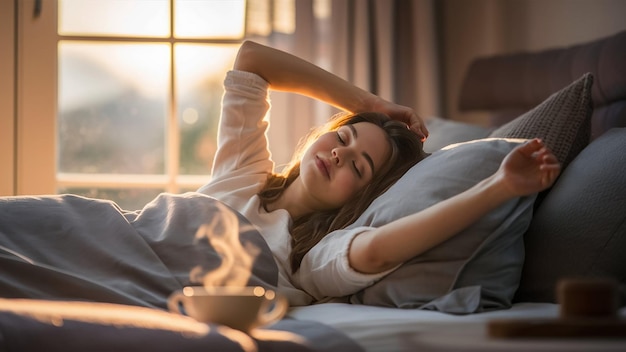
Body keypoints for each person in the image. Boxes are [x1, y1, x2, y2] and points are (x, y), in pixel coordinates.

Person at [197, 41, 561, 306]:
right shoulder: (243, 174)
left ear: (361, 197)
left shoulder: (309, 259)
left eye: (357, 166)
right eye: (342, 136)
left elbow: (377, 251)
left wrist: (499, 187)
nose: (339, 153)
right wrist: (371, 105)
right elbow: (251, 59)